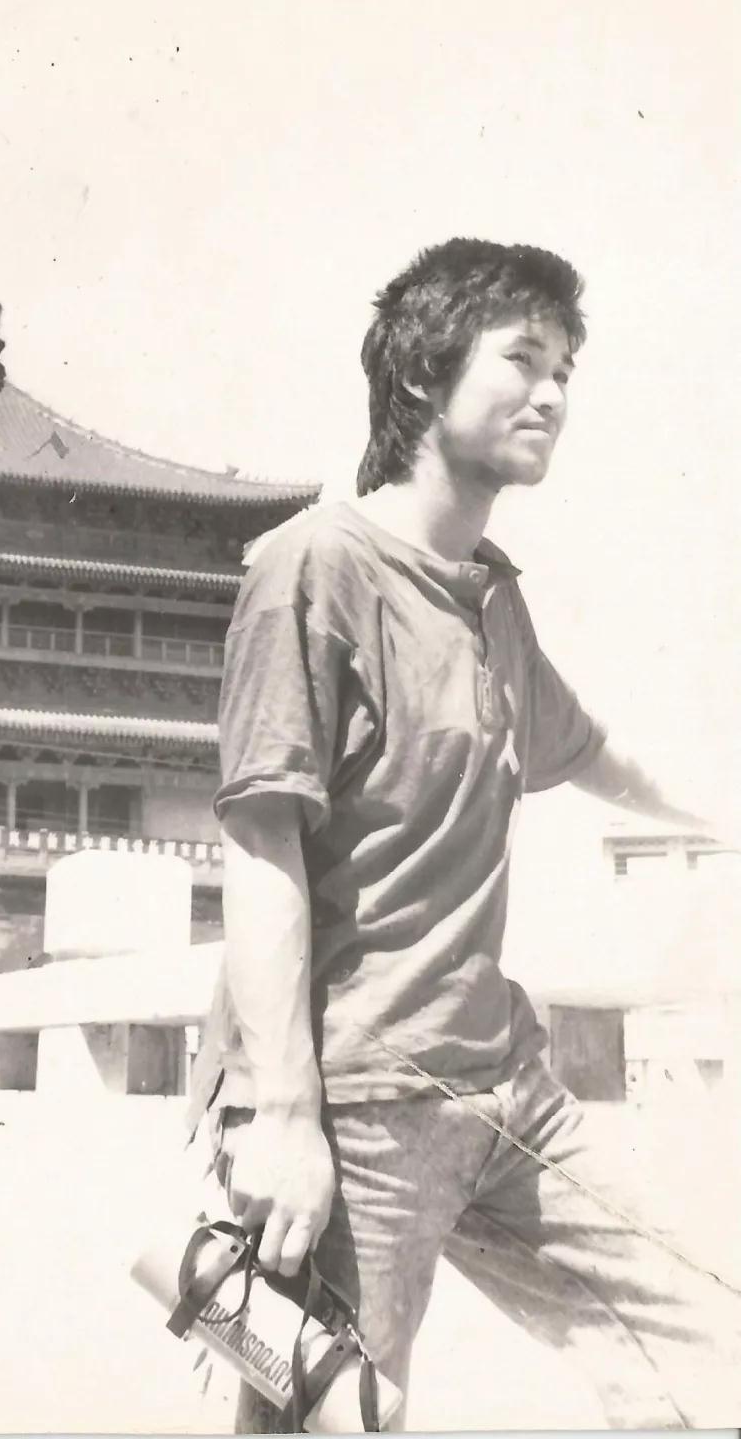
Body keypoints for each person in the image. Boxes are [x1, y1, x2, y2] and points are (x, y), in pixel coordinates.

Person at [187, 239, 741, 1429]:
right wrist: (282, 1116)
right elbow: (262, 845)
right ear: (422, 376)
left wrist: (723, 811)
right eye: (523, 359)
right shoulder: (312, 566)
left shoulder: (491, 592)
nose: (553, 394)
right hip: (355, 1106)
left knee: (707, 1339)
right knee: (338, 1417)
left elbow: (590, 749)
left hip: (503, 1088)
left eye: (566, 369)